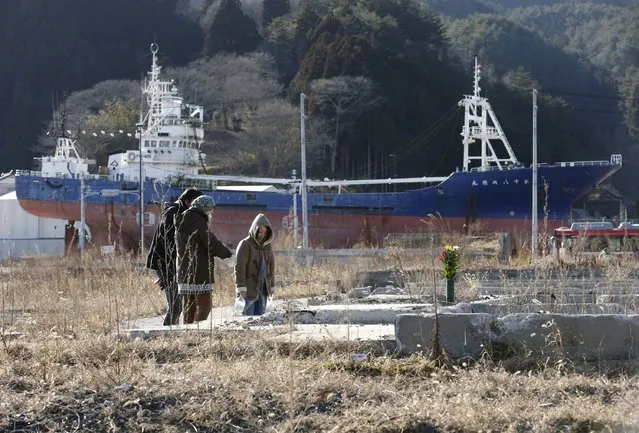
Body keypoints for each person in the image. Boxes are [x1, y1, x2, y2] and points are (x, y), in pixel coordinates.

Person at [146, 187, 202, 326]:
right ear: (188, 201)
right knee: (176, 306)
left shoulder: (183, 213)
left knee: (178, 306)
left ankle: (170, 332)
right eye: (196, 203)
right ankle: (166, 334)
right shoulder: (173, 213)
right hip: (165, 264)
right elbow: (170, 241)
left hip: (172, 264)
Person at [175, 195, 232, 324]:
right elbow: (211, 242)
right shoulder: (198, 221)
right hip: (199, 272)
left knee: (189, 307)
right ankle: (198, 331)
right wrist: (228, 256)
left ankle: (188, 331)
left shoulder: (182, 220)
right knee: (205, 305)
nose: (212, 213)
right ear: (205, 208)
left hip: (184, 271)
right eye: (211, 209)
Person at [234, 213, 275, 316]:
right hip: (248, 290)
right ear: (255, 229)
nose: (262, 235)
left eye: (265, 233)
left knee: (260, 320)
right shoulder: (245, 244)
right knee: (247, 319)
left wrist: (271, 287)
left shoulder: (268, 247)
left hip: (263, 290)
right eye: (260, 231)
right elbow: (239, 267)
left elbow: (271, 267)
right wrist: (241, 288)